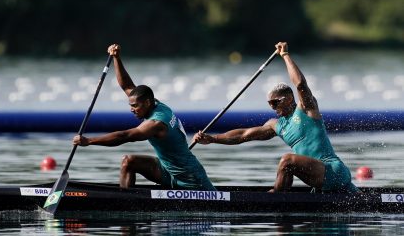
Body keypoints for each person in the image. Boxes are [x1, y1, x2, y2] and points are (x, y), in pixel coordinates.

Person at [193, 42, 359, 193]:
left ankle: (275, 198)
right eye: (269, 104)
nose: (272, 107)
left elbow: (300, 84)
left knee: (287, 160)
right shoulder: (276, 125)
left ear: (289, 99)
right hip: (318, 178)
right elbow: (243, 135)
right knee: (288, 164)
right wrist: (213, 138)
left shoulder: (307, 109)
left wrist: (285, 55)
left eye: (275, 102)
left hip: (333, 170)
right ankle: (281, 201)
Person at [73, 44, 216, 191]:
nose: (132, 109)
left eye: (135, 106)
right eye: (131, 105)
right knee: (128, 162)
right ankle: (125, 202)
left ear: (147, 102)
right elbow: (127, 85)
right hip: (166, 171)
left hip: (191, 178)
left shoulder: (157, 122)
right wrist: (116, 58)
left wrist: (89, 141)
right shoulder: (153, 103)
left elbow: (125, 136)